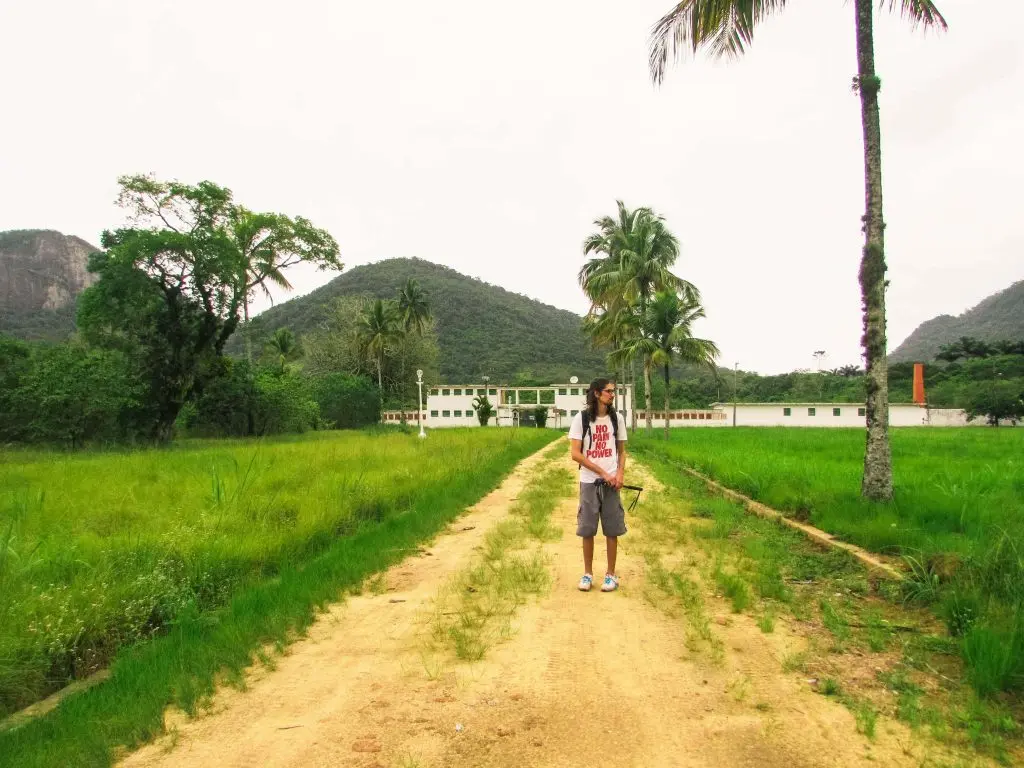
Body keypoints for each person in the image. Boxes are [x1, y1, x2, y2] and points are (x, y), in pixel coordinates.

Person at [568, 377, 627, 592]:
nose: (612, 394)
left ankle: (610, 575)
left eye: (613, 391)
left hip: (612, 484)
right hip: (589, 482)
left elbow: (621, 451)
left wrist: (619, 474)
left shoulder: (616, 419)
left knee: (611, 530)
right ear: (596, 393)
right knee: (587, 529)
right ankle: (588, 574)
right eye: (608, 391)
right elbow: (575, 454)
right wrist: (603, 472)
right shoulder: (581, 419)